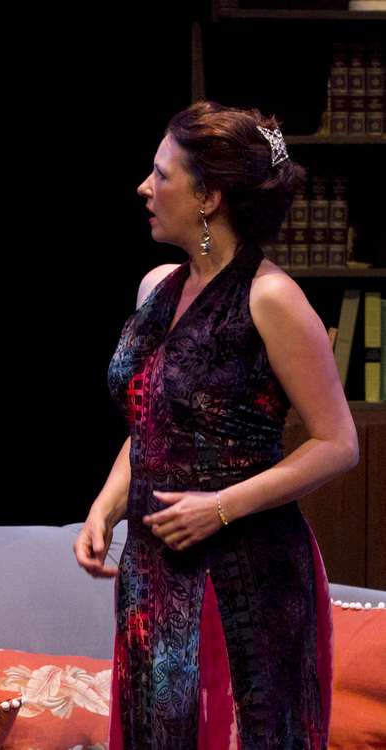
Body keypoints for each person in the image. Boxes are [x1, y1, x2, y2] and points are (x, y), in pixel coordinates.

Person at [74, 101, 358, 748]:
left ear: (208, 198)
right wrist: (105, 507)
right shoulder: (156, 288)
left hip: (246, 571)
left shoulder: (270, 298)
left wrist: (221, 507)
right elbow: (152, 418)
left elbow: (338, 443)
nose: (144, 188)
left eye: (161, 175)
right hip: (155, 567)